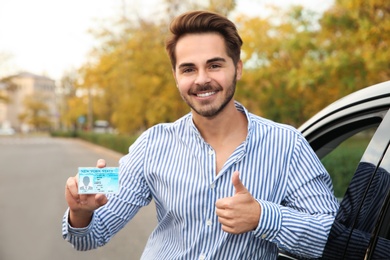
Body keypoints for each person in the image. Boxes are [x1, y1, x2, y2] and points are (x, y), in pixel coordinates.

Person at [63, 10, 339, 259]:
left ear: (237, 69)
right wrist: (81, 212)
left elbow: (334, 237)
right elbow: (90, 236)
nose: (202, 79)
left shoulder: (287, 144)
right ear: (176, 76)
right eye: (188, 69)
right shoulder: (152, 144)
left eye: (215, 65)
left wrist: (263, 216)